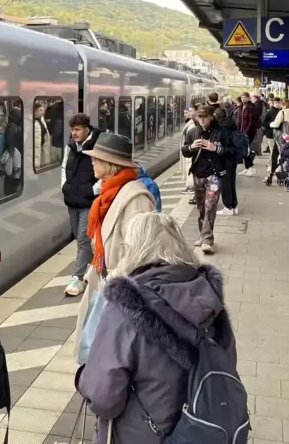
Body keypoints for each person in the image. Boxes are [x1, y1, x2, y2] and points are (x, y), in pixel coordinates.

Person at [76, 212, 236, 444]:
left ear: (134, 250)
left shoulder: (125, 307)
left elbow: (104, 398)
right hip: (204, 429)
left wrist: (83, 376)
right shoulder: (210, 299)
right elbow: (227, 362)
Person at [72, 132, 156, 359]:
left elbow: (140, 253)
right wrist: (94, 269)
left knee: (107, 357)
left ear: (110, 164)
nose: (91, 162)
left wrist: (113, 281)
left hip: (119, 290)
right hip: (104, 280)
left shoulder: (136, 198)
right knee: (94, 352)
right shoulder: (108, 192)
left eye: (96, 158)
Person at [181, 105, 234, 254]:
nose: (202, 119)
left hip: (215, 174)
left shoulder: (221, 133)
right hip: (198, 174)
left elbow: (232, 151)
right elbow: (185, 152)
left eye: (205, 116)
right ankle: (203, 234)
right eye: (199, 117)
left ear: (211, 117)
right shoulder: (192, 132)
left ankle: (207, 240)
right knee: (201, 207)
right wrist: (191, 147)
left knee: (211, 205)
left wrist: (215, 148)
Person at [61, 113, 102, 297]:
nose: (74, 133)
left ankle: (77, 279)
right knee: (80, 238)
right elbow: (64, 167)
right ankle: (93, 266)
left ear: (87, 129)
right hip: (72, 200)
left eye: (77, 129)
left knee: (84, 239)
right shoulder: (70, 147)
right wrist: (65, 186)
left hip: (88, 201)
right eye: (72, 130)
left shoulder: (97, 146)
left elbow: (103, 172)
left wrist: (92, 191)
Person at [266, 100, 289, 187]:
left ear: (284, 106)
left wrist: (270, 124)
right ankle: (288, 174)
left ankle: (275, 173)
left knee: (276, 154)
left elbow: (276, 124)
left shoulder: (282, 112)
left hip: (282, 138)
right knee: (288, 156)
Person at [215, 107, 239, 216]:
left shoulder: (222, 128)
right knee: (231, 182)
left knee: (225, 183)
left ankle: (228, 206)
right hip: (233, 158)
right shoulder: (231, 124)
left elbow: (223, 145)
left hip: (225, 158)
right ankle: (234, 205)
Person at [235, 92, 258, 177]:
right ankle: (247, 168)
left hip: (249, 132)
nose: (243, 99)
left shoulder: (251, 107)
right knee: (243, 150)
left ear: (248, 98)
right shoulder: (241, 107)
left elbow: (251, 122)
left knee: (246, 150)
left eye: (245, 97)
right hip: (241, 131)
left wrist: (246, 133)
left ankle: (251, 167)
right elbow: (239, 120)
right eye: (242, 97)